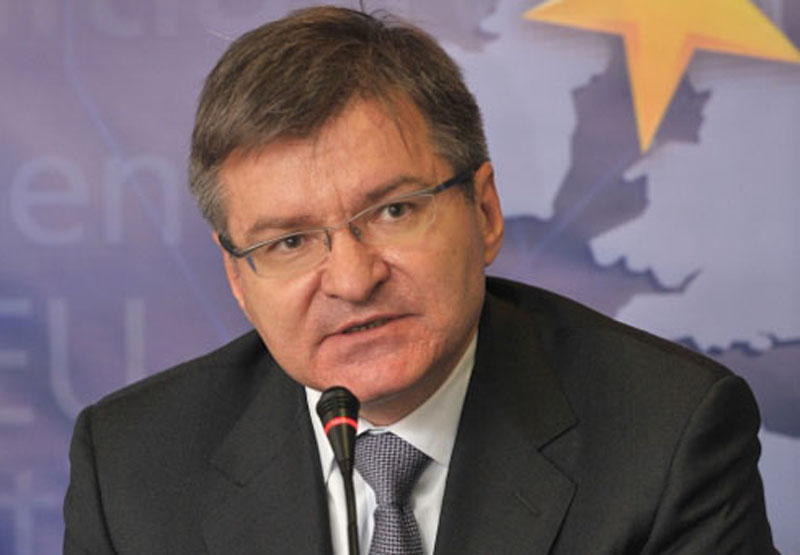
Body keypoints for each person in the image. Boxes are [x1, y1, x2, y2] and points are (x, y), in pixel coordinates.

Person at [63, 6, 776, 554]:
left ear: (485, 212)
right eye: (289, 242)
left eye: (394, 210)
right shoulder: (130, 468)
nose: (352, 279)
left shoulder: (668, 437)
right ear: (238, 278)